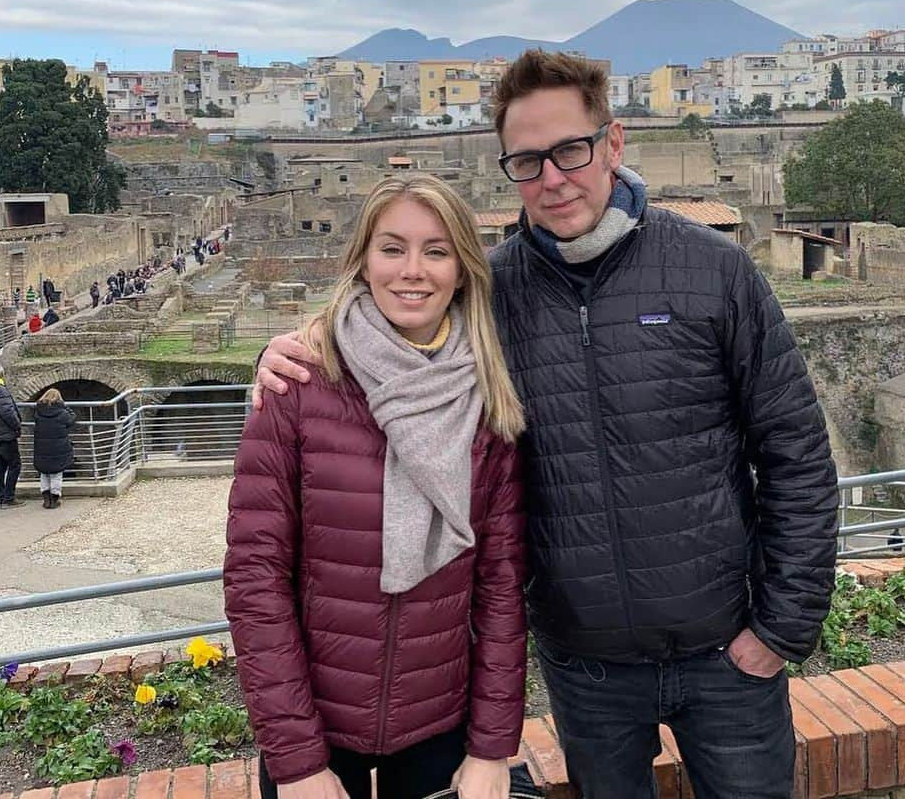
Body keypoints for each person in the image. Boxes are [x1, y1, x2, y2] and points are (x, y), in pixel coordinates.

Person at [255, 51, 838, 799]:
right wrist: (293, 347)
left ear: (613, 144)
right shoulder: (490, 293)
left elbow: (795, 450)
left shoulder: (713, 270)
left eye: (570, 150)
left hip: (726, 652)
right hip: (586, 669)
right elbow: (393, 330)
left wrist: (780, 629)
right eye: (527, 162)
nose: (553, 178)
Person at [225, 174, 528, 799]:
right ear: (363, 261)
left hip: (438, 723)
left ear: (464, 269)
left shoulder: (487, 400)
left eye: (436, 251)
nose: (412, 271)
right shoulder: (296, 384)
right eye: (392, 248)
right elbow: (256, 578)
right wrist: (298, 760)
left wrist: (493, 748)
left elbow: (500, 587)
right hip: (315, 726)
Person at [0, 363, 24, 508]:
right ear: (0, 374)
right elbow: (7, 412)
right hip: (5, 434)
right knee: (15, 465)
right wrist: (17, 426)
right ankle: (9, 498)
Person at [32, 388, 76, 509]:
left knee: (44, 473)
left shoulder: (38, 412)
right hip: (58, 447)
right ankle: (54, 498)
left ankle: (46, 498)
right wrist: (65, 407)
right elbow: (71, 419)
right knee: (56, 473)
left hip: (42, 448)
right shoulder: (62, 413)